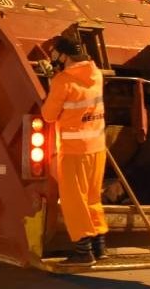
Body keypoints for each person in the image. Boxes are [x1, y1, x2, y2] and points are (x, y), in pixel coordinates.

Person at [41, 35, 108, 266]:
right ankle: (100, 246)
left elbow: (48, 115)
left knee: (73, 201)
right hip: (97, 148)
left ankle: (83, 252)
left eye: (54, 54)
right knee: (92, 198)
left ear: (64, 55)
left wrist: (52, 84)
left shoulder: (62, 82)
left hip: (74, 151)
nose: (52, 59)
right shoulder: (96, 74)